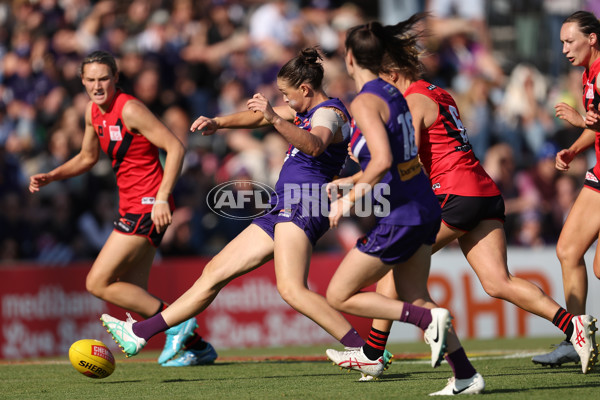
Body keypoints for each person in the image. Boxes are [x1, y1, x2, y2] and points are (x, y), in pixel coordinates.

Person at [97, 48, 394, 364]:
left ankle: (366, 352)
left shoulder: (328, 114)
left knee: (292, 289)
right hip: (283, 206)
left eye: (286, 94)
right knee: (214, 272)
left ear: (305, 89)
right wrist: (219, 122)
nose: (285, 100)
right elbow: (257, 116)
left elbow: (315, 145)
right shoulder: (305, 111)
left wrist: (274, 116)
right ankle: (140, 333)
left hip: (304, 203)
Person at [354, 13, 598, 376]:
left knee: (394, 262)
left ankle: (372, 355)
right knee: (498, 282)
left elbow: (400, 162)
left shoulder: (413, 102)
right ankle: (573, 327)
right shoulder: (440, 92)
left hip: (456, 194)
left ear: (391, 76)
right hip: (482, 190)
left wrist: (359, 164)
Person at [321, 18, 482, 396]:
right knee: (415, 294)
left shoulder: (365, 100)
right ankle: (465, 375)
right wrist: (350, 181)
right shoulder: (394, 93)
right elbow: (399, 161)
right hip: (424, 205)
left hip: (403, 213)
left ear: (349, 58)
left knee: (338, 295)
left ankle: (426, 320)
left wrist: (349, 197)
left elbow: (379, 162)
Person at [28, 50, 212, 367]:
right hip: (133, 206)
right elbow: (87, 158)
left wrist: (162, 197)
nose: (98, 86)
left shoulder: (130, 108)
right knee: (136, 293)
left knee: (97, 282)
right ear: (82, 82)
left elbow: (175, 147)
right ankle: (196, 346)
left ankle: (180, 325)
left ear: (115, 78)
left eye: (103, 79)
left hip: (148, 206)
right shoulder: (92, 111)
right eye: (91, 80)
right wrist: (54, 175)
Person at [533, 10, 600, 367]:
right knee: (568, 250)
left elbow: (593, 120)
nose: (564, 49)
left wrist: (578, 121)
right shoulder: (589, 73)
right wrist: (574, 147)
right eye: (561, 42)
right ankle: (576, 339)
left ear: (591, 38)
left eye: (569, 41)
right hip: (599, 174)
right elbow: (598, 124)